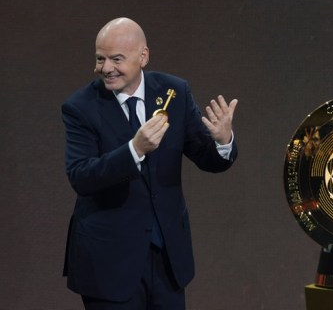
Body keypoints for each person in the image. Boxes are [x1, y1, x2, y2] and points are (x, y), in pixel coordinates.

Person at [62, 17, 239, 309]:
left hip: (168, 259)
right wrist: (134, 150)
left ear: (143, 56)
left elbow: (208, 159)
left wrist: (222, 140)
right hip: (110, 263)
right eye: (100, 59)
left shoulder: (175, 92)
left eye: (116, 59)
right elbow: (81, 176)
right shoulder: (79, 107)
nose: (106, 68)